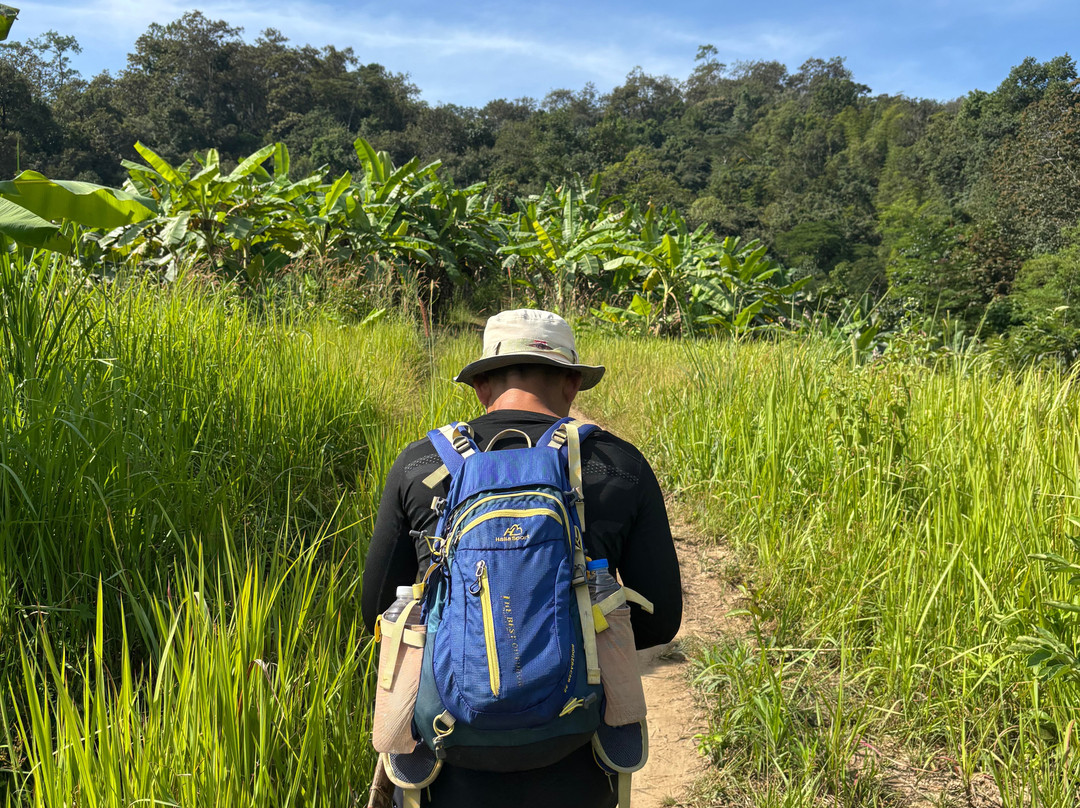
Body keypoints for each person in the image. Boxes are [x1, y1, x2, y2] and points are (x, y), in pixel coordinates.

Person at [361, 308, 682, 807]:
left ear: (480, 386)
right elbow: (660, 620)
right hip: (576, 747)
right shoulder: (619, 464)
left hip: (447, 749)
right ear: (572, 384)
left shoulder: (420, 463)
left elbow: (376, 612)